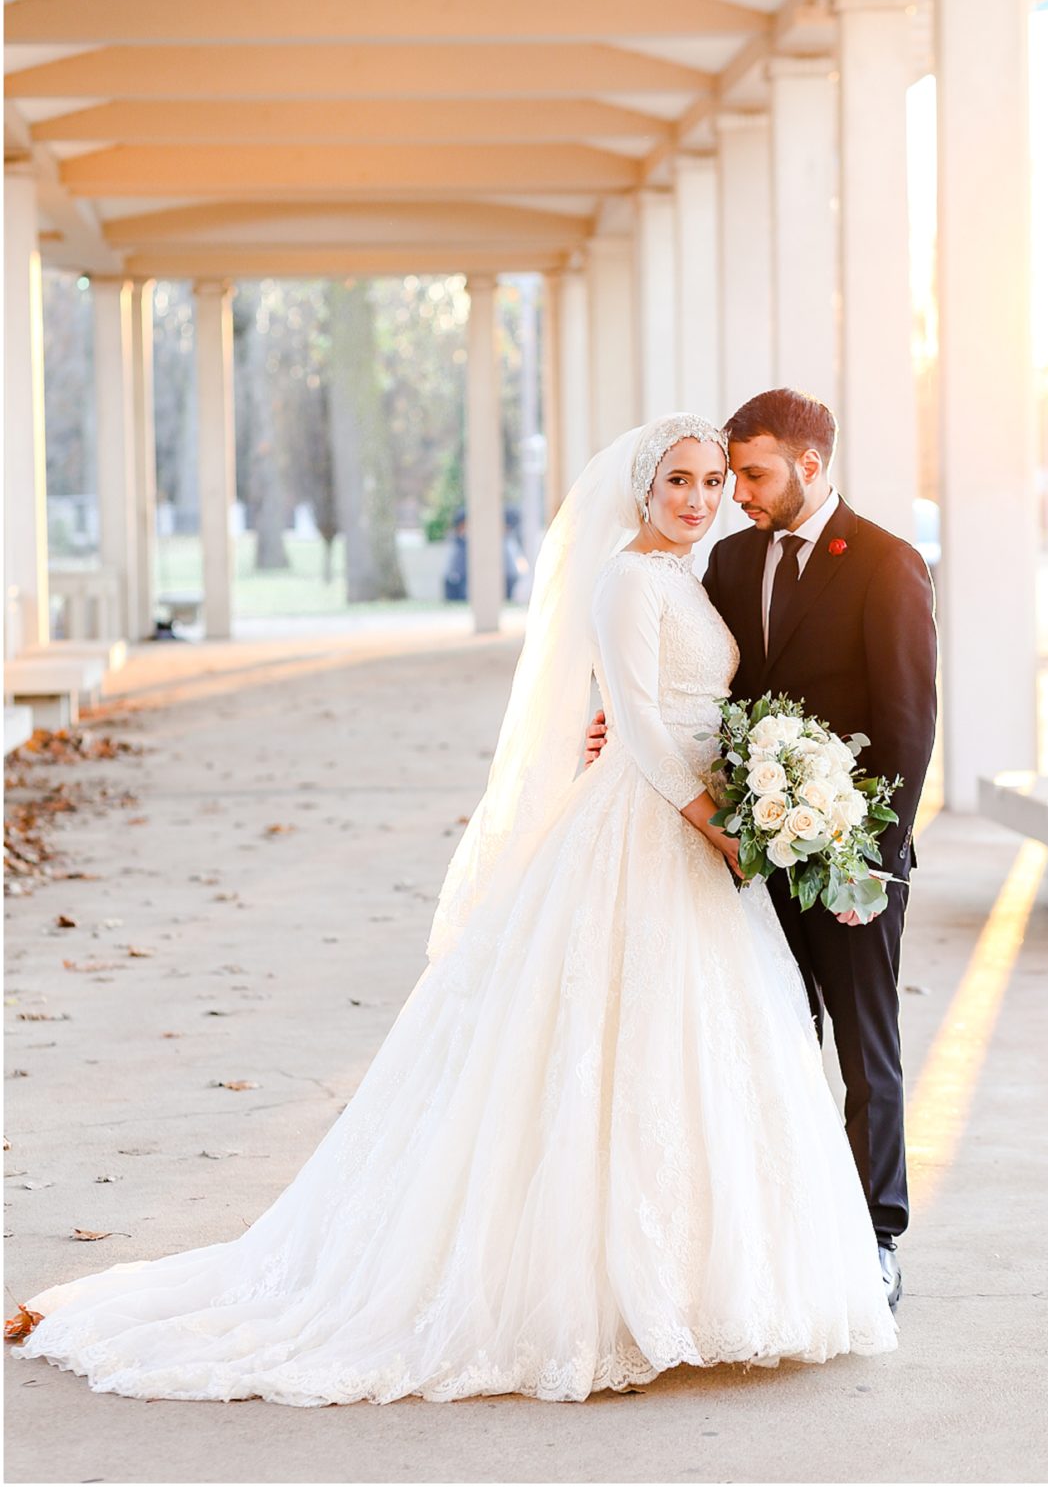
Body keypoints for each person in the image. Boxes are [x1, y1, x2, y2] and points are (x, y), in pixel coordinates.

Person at [13, 414, 896, 1406]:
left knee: (696, 1050)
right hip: (651, 826)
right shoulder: (624, 578)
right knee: (600, 1048)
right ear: (642, 490)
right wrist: (716, 822)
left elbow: (685, 708)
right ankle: (591, 1294)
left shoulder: (689, 575)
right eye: (679, 481)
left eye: (708, 482)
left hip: (699, 830)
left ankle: (701, 1280)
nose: (698, 498)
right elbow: (643, 728)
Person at [587, 390, 938, 1312]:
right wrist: (610, 725)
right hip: (741, 853)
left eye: (749, 473)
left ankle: (875, 1235)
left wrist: (878, 855)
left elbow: (906, 724)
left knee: (866, 1046)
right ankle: (790, 1230)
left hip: (847, 850)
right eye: (716, 475)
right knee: (772, 1040)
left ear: (808, 466)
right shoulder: (729, 561)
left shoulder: (888, 563)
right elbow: (675, 675)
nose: (731, 493)